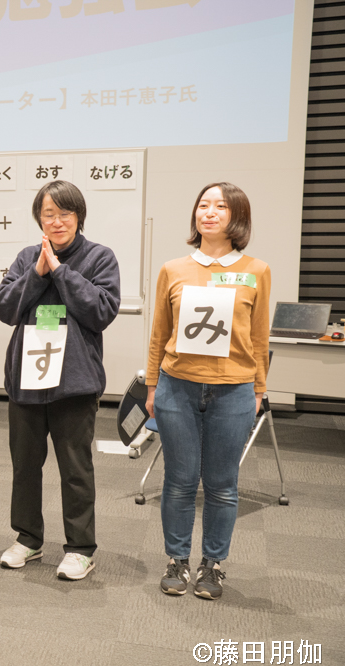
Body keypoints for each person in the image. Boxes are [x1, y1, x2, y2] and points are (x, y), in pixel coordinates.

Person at [146, 182, 270, 600]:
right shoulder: (173, 269)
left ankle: (212, 564)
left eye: (220, 206)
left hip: (233, 391)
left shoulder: (256, 270)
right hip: (176, 387)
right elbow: (159, 333)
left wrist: (258, 389)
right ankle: (177, 560)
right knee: (179, 480)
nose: (209, 212)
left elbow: (259, 336)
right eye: (203, 205)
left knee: (221, 484)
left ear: (238, 217)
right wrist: (152, 385)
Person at [0, 180, 120, 581]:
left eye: (65, 213)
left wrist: (61, 272)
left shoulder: (99, 257)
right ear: (39, 218)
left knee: (75, 469)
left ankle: (80, 548)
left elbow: (101, 311)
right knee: (25, 467)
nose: (57, 221)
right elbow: (4, 308)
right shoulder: (27, 257)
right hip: (26, 380)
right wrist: (37, 272)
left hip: (73, 384)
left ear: (79, 217)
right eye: (49, 214)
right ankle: (28, 539)